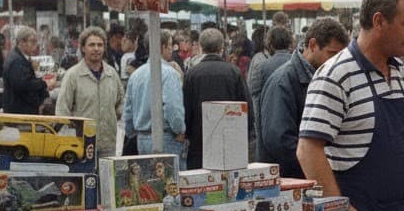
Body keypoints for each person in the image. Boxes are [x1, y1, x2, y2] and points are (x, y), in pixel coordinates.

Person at [297, 0, 404, 211]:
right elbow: (308, 150)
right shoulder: (336, 74)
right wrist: (340, 210)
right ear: (379, 21)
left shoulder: (400, 71)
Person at [258, 17, 350, 177]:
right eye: (332, 54)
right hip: (290, 181)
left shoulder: (329, 77)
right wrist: (318, 162)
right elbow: (279, 140)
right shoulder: (283, 81)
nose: (336, 62)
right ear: (313, 45)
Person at [183, 26, 252, 170]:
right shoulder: (234, 72)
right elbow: (247, 108)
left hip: (199, 142)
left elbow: (186, 109)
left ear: (201, 47)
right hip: (230, 141)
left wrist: (188, 134)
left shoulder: (192, 74)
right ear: (222, 47)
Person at [55, 27, 124, 157]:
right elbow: (62, 110)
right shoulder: (73, 75)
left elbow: (121, 102)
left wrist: (117, 117)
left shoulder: (111, 74)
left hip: (108, 144)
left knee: (107, 177)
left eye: (100, 45)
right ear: (83, 48)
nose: (96, 49)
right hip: (81, 145)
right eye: (91, 45)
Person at [123, 30, 187, 168]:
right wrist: (179, 129)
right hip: (166, 139)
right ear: (163, 47)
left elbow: (128, 110)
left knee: (148, 184)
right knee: (170, 185)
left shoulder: (136, 75)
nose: (172, 49)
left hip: (142, 139)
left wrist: (132, 132)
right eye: (170, 45)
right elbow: (172, 107)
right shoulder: (170, 74)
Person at [248, 18, 294, 150]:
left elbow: (254, 97)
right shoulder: (299, 64)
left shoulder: (263, 67)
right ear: (289, 43)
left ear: (270, 44)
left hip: (268, 128)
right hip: (292, 130)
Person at [3, 25, 55, 114]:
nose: (35, 45)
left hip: (22, 110)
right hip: (20, 111)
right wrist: (43, 82)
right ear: (22, 42)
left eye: (36, 42)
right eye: (32, 41)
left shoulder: (20, 57)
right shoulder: (17, 60)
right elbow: (23, 84)